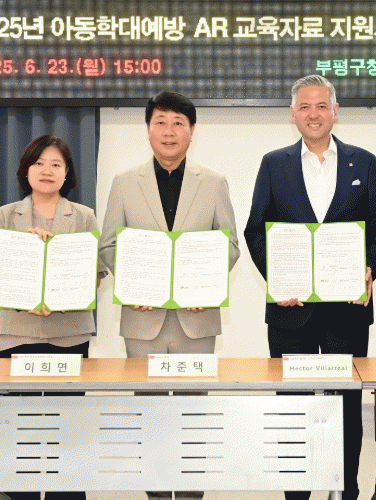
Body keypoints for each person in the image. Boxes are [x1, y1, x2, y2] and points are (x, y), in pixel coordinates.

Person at [244, 74, 376, 500]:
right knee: (293, 407)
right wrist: (278, 278)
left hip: (347, 309)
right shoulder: (274, 163)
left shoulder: (363, 162)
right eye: (305, 107)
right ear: (293, 114)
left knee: (347, 406)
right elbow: (256, 229)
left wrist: (369, 267)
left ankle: (346, 490)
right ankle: (297, 493)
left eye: (322, 106)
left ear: (335, 112)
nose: (314, 114)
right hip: (291, 311)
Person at [99, 91, 239, 500]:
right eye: (160, 122)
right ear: (148, 130)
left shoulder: (213, 182)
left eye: (178, 123)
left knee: (194, 414)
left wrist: (207, 285)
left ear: (192, 131)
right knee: (151, 414)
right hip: (143, 319)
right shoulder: (125, 182)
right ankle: (157, 496)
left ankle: (192, 494)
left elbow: (229, 245)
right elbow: (109, 245)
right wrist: (131, 284)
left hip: (197, 318)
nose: (169, 131)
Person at [0, 134, 104, 500]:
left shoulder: (83, 216)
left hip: (68, 334)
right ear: (26, 171)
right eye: (39, 163)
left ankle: (67, 493)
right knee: (21, 424)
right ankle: (20, 493)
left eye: (56, 164)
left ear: (67, 174)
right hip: (16, 333)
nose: (47, 170)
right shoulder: (7, 214)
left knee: (67, 425)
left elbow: (95, 273)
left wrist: (65, 297)